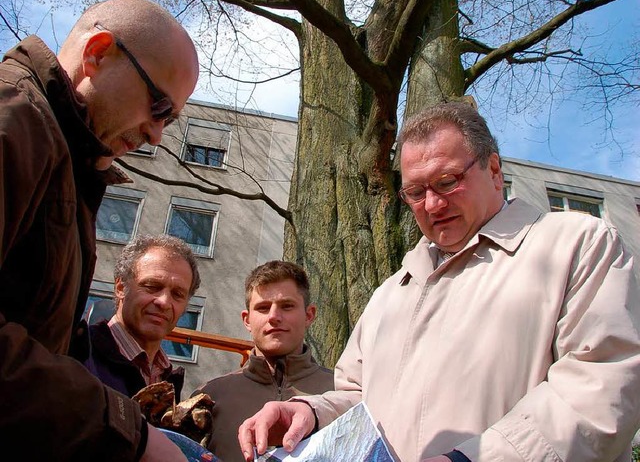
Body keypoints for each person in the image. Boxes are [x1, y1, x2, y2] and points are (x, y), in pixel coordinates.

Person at [238, 102, 640, 462]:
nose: (432, 204)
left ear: (495, 171)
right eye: (414, 192)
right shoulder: (390, 292)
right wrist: (311, 412)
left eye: (447, 182)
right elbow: (357, 397)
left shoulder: (577, 244)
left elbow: (601, 387)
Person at [0, 0, 199, 461]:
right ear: (98, 53)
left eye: (170, 120)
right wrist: (132, 433)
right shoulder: (15, 122)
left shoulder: (63, 152)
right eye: (158, 105)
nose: (156, 134)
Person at [193, 260, 334, 462]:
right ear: (247, 320)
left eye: (287, 306)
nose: (274, 317)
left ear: (309, 315)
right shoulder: (209, 398)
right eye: (263, 308)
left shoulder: (342, 394)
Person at [82, 234, 200, 401]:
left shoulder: (168, 380)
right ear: (121, 288)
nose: (164, 302)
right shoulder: (78, 355)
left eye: (178, 294)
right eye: (152, 286)